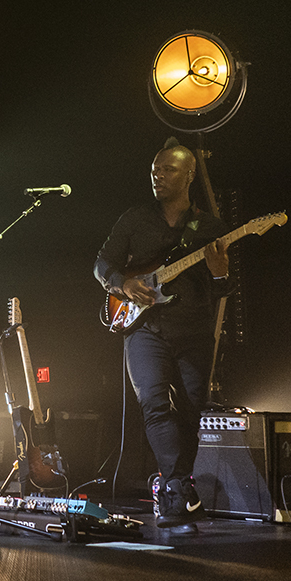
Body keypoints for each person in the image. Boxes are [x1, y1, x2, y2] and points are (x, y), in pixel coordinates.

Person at [94, 141, 229, 528]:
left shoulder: (211, 228)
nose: (158, 175)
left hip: (193, 330)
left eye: (168, 170)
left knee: (190, 410)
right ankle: (176, 487)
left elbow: (220, 291)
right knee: (154, 402)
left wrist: (219, 273)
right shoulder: (135, 219)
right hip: (143, 328)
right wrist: (123, 283)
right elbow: (102, 263)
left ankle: (171, 485)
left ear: (189, 176)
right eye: (154, 169)